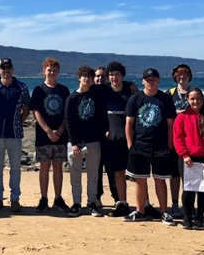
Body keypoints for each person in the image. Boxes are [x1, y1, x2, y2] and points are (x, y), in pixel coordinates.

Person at [123, 68, 176, 223]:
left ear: (158, 81)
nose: (150, 82)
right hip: (139, 145)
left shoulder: (165, 99)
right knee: (140, 179)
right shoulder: (135, 98)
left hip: (160, 146)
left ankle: (164, 212)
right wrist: (130, 144)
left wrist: (169, 145)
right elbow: (129, 123)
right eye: (147, 79)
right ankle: (140, 211)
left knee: (160, 179)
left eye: (153, 79)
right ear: (143, 81)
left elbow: (170, 124)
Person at [0, 58, 31, 212]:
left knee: (15, 168)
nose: (6, 70)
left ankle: (15, 199)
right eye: (3, 68)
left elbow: (26, 110)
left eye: (9, 67)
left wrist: (18, 122)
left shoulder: (22, 87)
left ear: (13, 69)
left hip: (15, 133)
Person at [64, 65, 108, 216]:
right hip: (75, 143)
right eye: (84, 77)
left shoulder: (96, 94)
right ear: (79, 78)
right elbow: (68, 122)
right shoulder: (71, 98)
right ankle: (76, 203)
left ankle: (92, 202)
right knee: (75, 174)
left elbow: (114, 87)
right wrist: (74, 142)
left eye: (90, 77)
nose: (87, 79)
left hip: (93, 141)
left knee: (93, 174)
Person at [173, 88, 204, 230]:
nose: (195, 101)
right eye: (192, 99)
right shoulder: (182, 117)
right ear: (188, 100)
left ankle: (200, 217)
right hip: (188, 159)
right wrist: (184, 155)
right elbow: (178, 138)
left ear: (203, 100)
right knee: (189, 189)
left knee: (203, 190)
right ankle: (187, 217)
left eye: (198, 98)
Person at [30, 57, 71, 212]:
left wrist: (60, 130)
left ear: (58, 72)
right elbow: (36, 112)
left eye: (54, 70)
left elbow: (67, 113)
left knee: (58, 166)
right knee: (45, 167)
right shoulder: (39, 90)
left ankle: (58, 198)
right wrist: (48, 130)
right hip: (43, 135)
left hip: (61, 135)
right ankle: (44, 198)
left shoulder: (64, 90)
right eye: (49, 69)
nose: (52, 72)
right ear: (44, 71)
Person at [102, 61, 141, 218]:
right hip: (113, 138)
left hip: (131, 138)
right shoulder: (104, 91)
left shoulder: (130, 91)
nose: (114, 77)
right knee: (118, 173)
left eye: (117, 74)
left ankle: (143, 205)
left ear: (122, 75)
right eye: (111, 74)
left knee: (138, 173)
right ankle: (122, 203)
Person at [167, 63, 193, 218]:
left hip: (191, 139)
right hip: (174, 138)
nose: (182, 76)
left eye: (184, 74)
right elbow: (165, 113)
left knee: (189, 173)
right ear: (175, 77)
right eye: (179, 74)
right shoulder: (170, 93)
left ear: (189, 76)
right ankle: (175, 203)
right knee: (174, 173)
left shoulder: (194, 92)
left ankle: (188, 204)